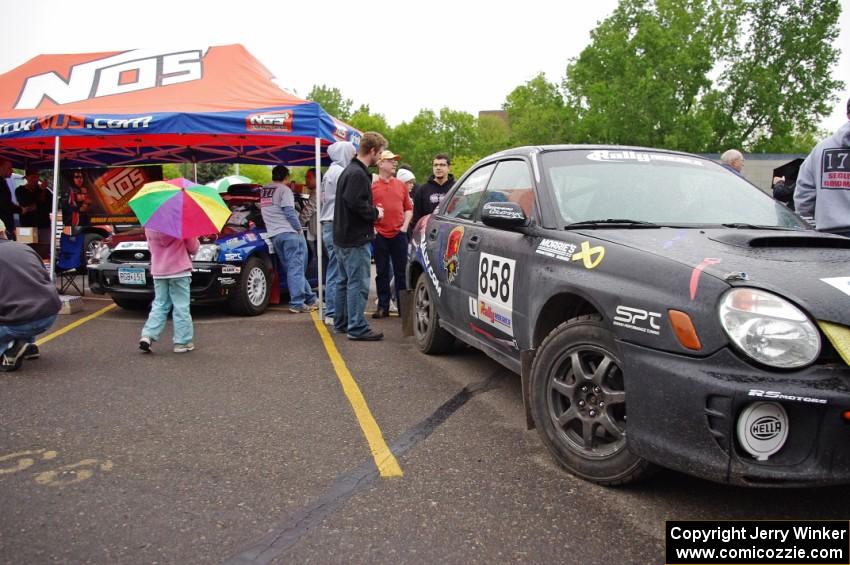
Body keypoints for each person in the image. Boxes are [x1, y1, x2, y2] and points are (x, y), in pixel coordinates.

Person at [333, 131, 387, 341]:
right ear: (372, 151)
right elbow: (356, 203)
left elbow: (351, 201)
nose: (380, 157)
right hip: (354, 238)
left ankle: (342, 322)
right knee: (357, 283)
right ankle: (356, 327)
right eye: (380, 152)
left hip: (342, 236)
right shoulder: (357, 174)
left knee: (343, 281)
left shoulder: (348, 170)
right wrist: (375, 213)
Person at [0, 218, 61, 371]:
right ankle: (28, 345)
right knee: (23, 298)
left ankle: (9, 354)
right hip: (49, 313)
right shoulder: (24, 248)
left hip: (21, 319)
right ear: (3, 232)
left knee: (16, 307)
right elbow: (44, 278)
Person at [260, 165, 317, 313]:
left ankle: (310, 298)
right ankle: (297, 303)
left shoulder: (264, 190)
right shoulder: (285, 190)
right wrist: (298, 228)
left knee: (292, 269)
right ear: (286, 177)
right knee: (296, 270)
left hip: (274, 235)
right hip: (289, 233)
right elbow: (290, 212)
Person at [138, 228, 200, 354]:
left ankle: (148, 335)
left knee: (159, 305)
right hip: (179, 271)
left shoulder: (150, 225)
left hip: (159, 271)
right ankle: (182, 342)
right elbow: (193, 248)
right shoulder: (181, 224)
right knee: (181, 307)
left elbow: (150, 248)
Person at [795, 98, 850, 236]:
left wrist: (812, 227)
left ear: (848, 114)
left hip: (829, 236)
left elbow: (804, 193)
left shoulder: (821, 149)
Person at [371, 150, 413, 319]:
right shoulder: (372, 186)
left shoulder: (401, 185)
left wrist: (404, 227)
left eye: (395, 160)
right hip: (380, 234)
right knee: (381, 272)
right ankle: (383, 306)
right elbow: (366, 209)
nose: (395, 163)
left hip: (399, 234)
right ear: (381, 164)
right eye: (391, 160)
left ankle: (403, 308)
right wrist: (373, 229)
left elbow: (409, 208)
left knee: (401, 272)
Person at [319, 141, 356, 326]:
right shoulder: (340, 172)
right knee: (337, 270)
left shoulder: (328, 173)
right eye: (351, 152)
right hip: (335, 223)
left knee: (334, 268)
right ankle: (333, 311)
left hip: (327, 223)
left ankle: (332, 309)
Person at [411, 153, 455, 230]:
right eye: (435, 165)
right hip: (428, 232)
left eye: (442, 165)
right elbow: (417, 218)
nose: (438, 168)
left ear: (449, 168)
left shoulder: (456, 188)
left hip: (451, 231)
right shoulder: (423, 190)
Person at [16, 168, 53, 242]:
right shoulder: (20, 190)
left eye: (37, 177)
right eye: (33, 177)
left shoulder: (46, 191)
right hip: (26, 225)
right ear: (26, 178)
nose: (35, 179)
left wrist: (34, 206)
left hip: (43, 225)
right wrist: (40, 192)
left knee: (43, 250)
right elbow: (26, 203)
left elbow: (50, 207)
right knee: (26, 249)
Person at [0, 158, 20, 241]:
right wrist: (21, 209)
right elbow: (5, 203)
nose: (12, 171)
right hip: (3, 225)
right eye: (9, 168)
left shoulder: (3, 182)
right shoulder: (1, 183)